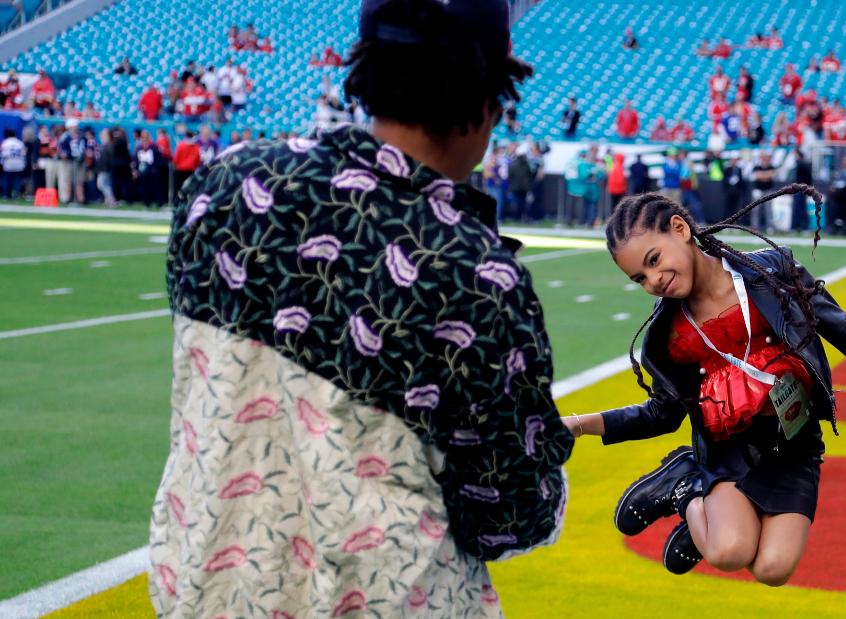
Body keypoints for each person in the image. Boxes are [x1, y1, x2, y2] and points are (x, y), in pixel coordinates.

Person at [152, 1, 573, 617]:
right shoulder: (473, 271)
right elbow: (512, 514)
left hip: (206, 589)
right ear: (489, 99)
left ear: (367, 68)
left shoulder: (224, 187)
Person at [563, 189, 846, 579]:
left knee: (773, 568)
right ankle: (687, 488)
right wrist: (580, 425)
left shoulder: (772, 274)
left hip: (794, 443)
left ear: (680, 229)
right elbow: (662, 414)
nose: (653, 280)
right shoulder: (666, 336)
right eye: (639, 278)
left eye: (654, 260)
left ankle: (701, 504)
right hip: (728, 449)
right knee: (731, 552)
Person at [0, 128, 27, 199]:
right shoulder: (20, 142)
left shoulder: (5, 142)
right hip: (19, 163)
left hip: (8, 163)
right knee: (17, 180)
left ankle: (6, 195)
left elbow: (3, 154)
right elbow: (24, 154)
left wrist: (2, 164)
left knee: (6, 179)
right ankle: (17, 195)